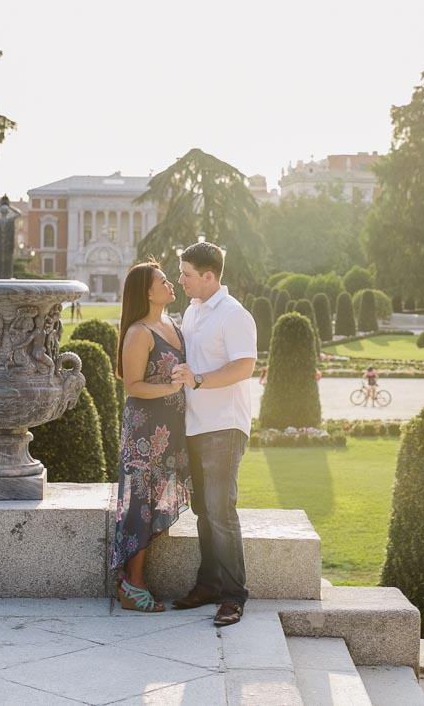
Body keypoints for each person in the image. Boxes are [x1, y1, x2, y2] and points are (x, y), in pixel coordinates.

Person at [170, 242, 258, 627]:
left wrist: (200, 379)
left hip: (224, 425)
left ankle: (234, 597)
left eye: (187, 274)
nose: (181, 280)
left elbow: (244, 367)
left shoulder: (234, 315)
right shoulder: (192, 310)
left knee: (221, 512)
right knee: (204, 511)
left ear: (209, 276)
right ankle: (208, 585)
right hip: (195, 424)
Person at [111, 262, 192, 613]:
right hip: (145, 433)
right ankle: (133, 585)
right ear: (147, 291)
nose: (170, 283)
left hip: (171, 430)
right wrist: (172, 386)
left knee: (156, 501)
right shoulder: (139, 332)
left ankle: (132, 581)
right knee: (139, 505)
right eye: (163, 281)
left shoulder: (172, 324)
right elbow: (132, 387)